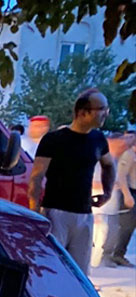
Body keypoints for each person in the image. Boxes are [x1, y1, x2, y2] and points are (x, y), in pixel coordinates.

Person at [27, 89, 115, 276]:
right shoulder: (54, 140)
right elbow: (36, 176)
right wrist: (35, 213)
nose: (105, 114)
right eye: (101, 109)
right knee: (50, 268)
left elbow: (109, 165)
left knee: (79, 274)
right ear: (83, 112)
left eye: (106, 109)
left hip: (84, 215)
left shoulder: (98, 139)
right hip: (56, 213)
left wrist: (107, 192)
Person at [97, 130, 136, 267]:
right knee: (121, 227)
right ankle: (112, 256)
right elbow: (121, 176)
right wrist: (127, 195)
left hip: (121, 197)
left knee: (122, 228)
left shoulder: (125, 155)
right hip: (124, 195)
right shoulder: (128, 155)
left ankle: (113, 255)